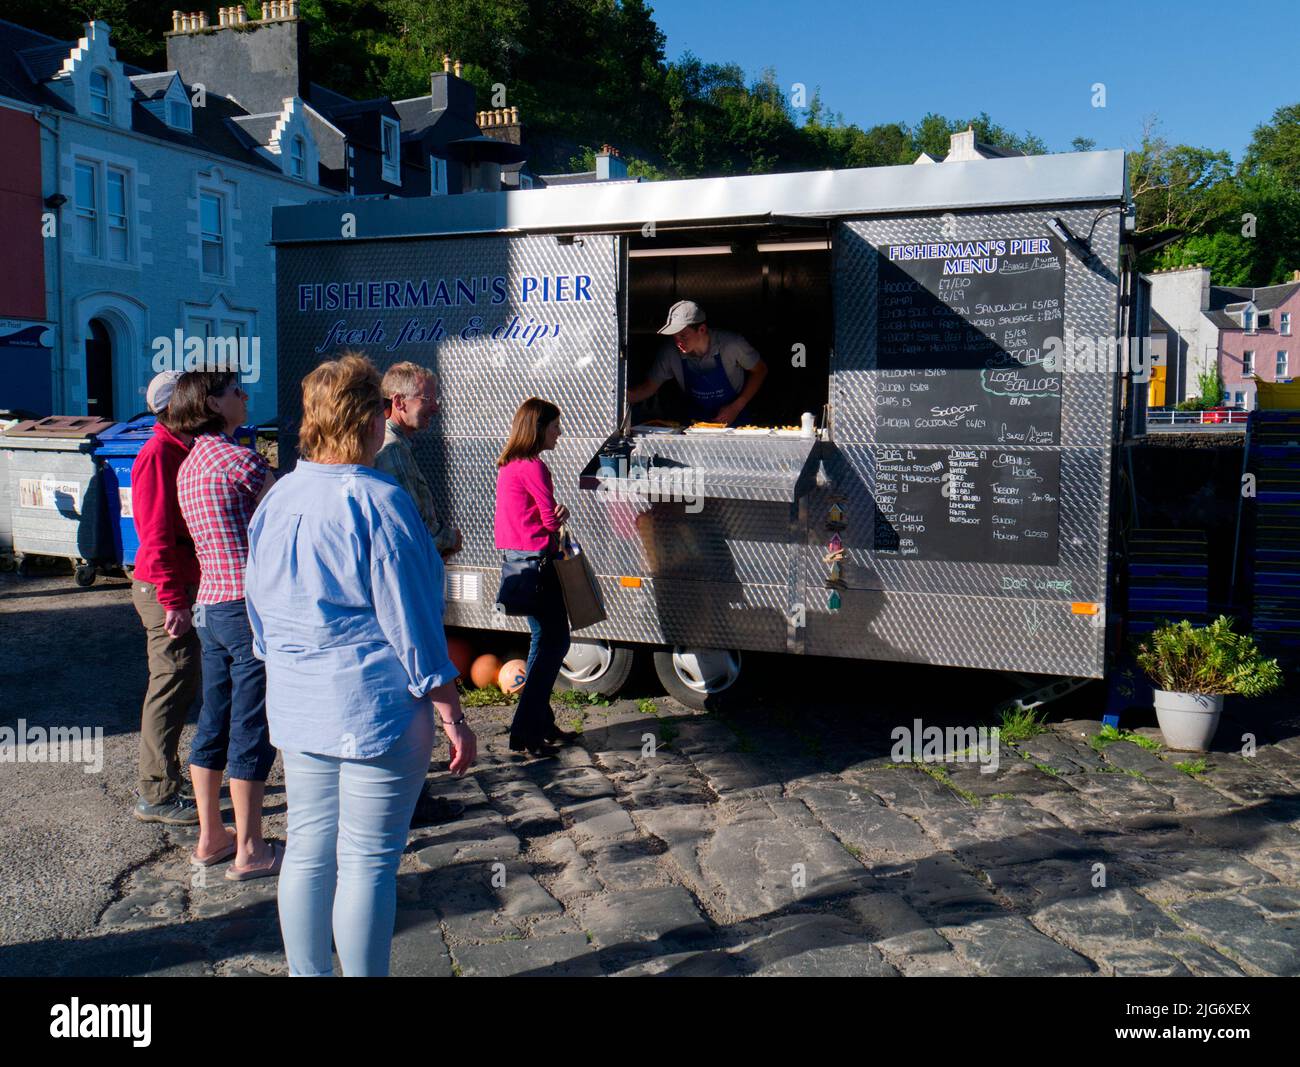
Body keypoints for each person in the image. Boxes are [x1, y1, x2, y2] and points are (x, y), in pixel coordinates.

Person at [245, 352, 476, 977]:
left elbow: (258, 606)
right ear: (370, 418)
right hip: (373, 705)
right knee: (369, 859)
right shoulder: (378, 499)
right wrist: (451, 709)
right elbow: (413, 621)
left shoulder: (279, 495)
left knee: (310, 851)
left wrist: (284, 665)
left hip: (298, 700)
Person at [174, 371, 280, 879]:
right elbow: (284, 524)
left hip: (209, 605)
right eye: (237, 391)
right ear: (213, 403)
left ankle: (211, 835)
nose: (245, 396)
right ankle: (251, 847)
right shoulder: (241, 461)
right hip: (246, 605)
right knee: (250, 725)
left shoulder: (189, 465)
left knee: (212, 718)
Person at [130, 370, 201, 825]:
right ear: (173, 407)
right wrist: (174, 599)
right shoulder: (159, 453)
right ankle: (156, 794)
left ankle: (165, 782)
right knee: (171, 684)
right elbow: (155, 536)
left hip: (176, 584)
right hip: (164, 588)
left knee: (179, 681)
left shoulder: (180, 449)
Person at [494, 397, 575, 755]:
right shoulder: (534, 467)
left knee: (542, 640)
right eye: (555, 426)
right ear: (538, 428)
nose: (559, 432)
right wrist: (562, 513)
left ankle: (539, 723)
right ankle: (526, 730)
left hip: (518, 564)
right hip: (538, 562)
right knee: (556, 642)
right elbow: (548, 520)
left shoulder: (509, 464)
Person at [627, 300, 768, 425]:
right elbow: (649, 387)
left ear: (702, 329)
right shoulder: (670, 352)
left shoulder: (732, 344)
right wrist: (620, 398)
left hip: (736, 421)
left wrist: (736, 407)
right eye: (674, 336)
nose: (678, 342)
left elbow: (760, 370)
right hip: (696, 425)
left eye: (683, 335)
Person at [374, 361, 462, 559]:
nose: (436, 407)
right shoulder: (393, 450)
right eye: (427, 398)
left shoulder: (394, 444)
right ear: (398, 402)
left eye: (436, 398)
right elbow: (414, 528)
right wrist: (452, 539)